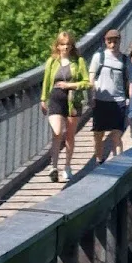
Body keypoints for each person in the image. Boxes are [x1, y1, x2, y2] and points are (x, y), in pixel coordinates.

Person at [41, 31, 91, 183]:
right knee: (57, 132)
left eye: (68, 44)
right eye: (63, 44)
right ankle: (53, 167)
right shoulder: (52, 61)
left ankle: (67, 166)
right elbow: (46, 81)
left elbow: (87, 82)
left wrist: (70, 85)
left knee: (69, 135)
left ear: (72, 46)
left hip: (73, 101)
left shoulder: (79, 61)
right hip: (56, 99)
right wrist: (43, 99)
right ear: (57, 46)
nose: (65, 47)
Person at [89, 29, 129, 163]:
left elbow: (129, 81)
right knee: (98, 135)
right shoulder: (98, 57)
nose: (112, 45)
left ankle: (118, 163)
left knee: (117, 135)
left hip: (119, 100)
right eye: (109, 41)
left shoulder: (124, 59)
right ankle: (99, 161)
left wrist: (130, 98)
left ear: (119, 41)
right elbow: (91, 78)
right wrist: (92, 96)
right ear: (105, 42)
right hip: (100, 100)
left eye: (115, 42)